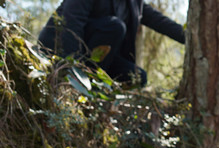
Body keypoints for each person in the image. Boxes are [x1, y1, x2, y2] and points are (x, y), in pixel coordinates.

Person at [37, 0, 185, 87]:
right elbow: (71, 22)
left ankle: (97, 90)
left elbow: (160, 22)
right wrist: (71, 70)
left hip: (97, 59)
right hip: (62, 49)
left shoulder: (134, 3)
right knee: (115, 26)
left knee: (138, 77)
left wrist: (190, 37)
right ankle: (84, 85)